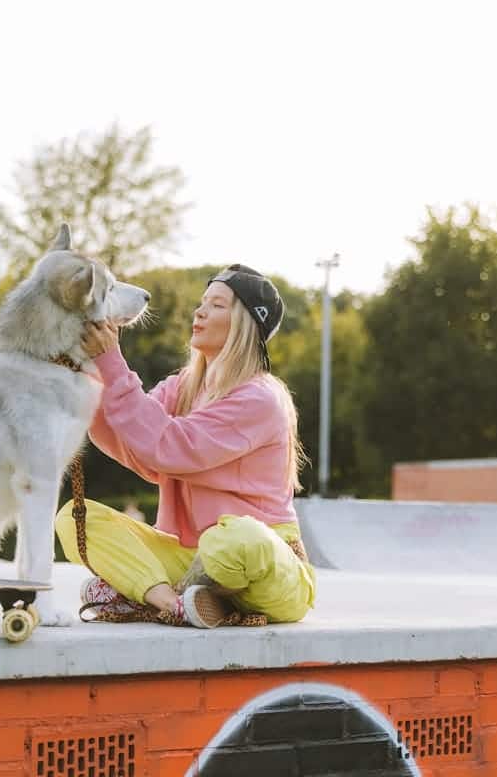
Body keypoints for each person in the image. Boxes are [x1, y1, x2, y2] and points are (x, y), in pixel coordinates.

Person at [55, 264, 316, 628]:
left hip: (265, 567)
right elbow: (135, 442)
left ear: (244, 324)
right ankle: (173, 601)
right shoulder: (184, 386)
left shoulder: (260, 399)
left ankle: (141, 591)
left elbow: (168, 446)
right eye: (202, 302)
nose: (200, 311)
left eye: (218, 305)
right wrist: (86, 368)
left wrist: (112, 361)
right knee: (75, 518)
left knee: (237, 536)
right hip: (189, 557)